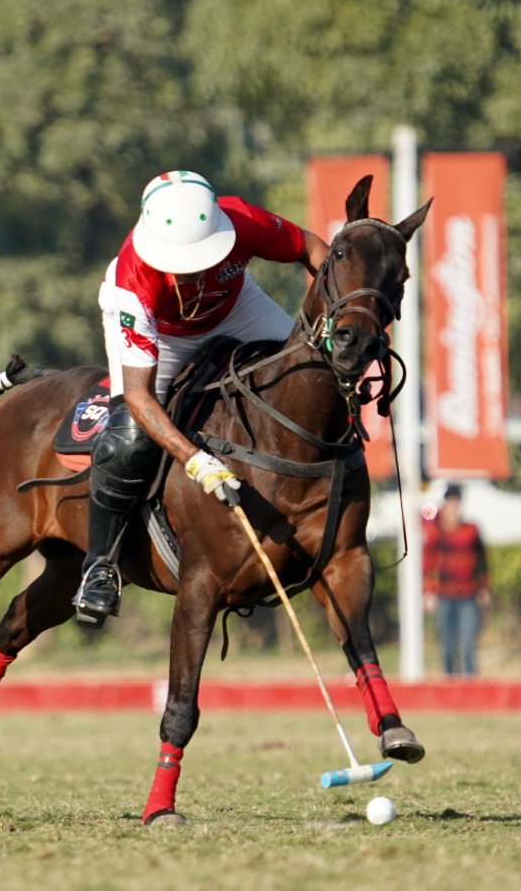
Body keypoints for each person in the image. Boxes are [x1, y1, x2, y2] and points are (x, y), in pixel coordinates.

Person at [73, 170, 330, 627]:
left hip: (234, 308)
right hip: (164, 334)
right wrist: (195, 460)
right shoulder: (135, 281)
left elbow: (314, 249)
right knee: (129, 438)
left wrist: (333, 314)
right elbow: (139, 397)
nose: (192, 266)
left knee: (312, 372)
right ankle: (100, 567)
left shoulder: (241, 221)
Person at [422, 484, 490, 677]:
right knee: (447, 644)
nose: (454, 507)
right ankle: (450, 682)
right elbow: (429, 563)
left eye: (456, 502)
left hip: (468, 593)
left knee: (468, 643)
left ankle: (470, 683)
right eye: (450, 502)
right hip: (444, 594)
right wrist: (428, 591)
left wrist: (483, 587)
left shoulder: (471, 530)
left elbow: (482, 560)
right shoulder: (436, 532)